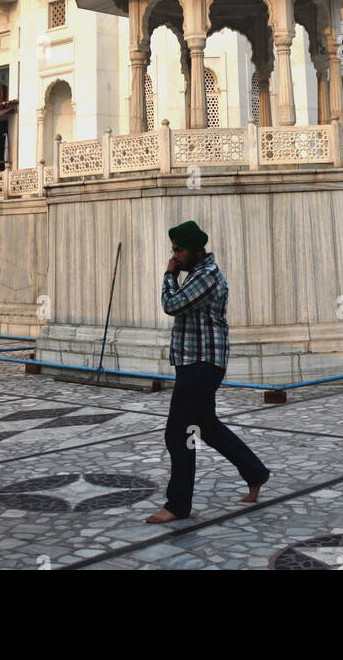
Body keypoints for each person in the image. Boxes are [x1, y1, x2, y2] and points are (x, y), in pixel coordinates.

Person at [146, 219, 270, 524]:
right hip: (195, 363)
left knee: (178, 433)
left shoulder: (206, 277)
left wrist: (167, 275)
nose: (174, 256)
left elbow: (171, 305)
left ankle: (177, 505)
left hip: (201, 365)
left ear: (195, 251)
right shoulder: (199, 273)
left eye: (178, 250)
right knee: (206, 427)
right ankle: (255, 473)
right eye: (172, 251)